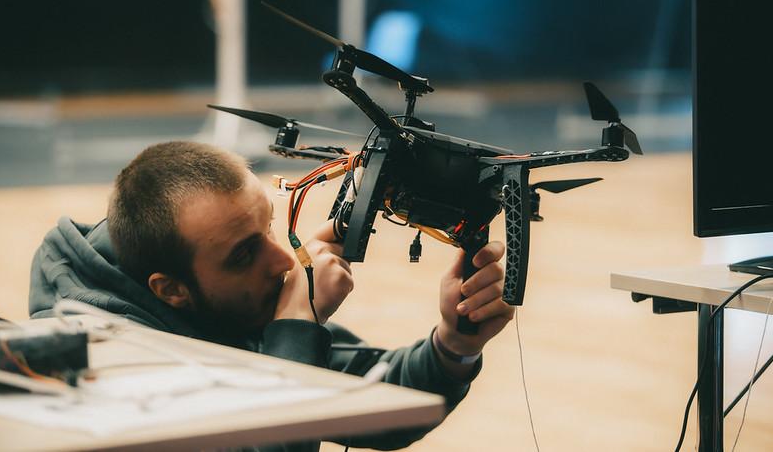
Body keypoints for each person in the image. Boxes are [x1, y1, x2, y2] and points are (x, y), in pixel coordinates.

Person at [30, 140, 514, 451]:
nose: (283, 261)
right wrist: (297, 328)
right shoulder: (108, 366)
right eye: (244, 255)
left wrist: (454, 344)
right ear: (171, 290)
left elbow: (369, 400)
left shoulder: (213, 300)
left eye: (268, 229)